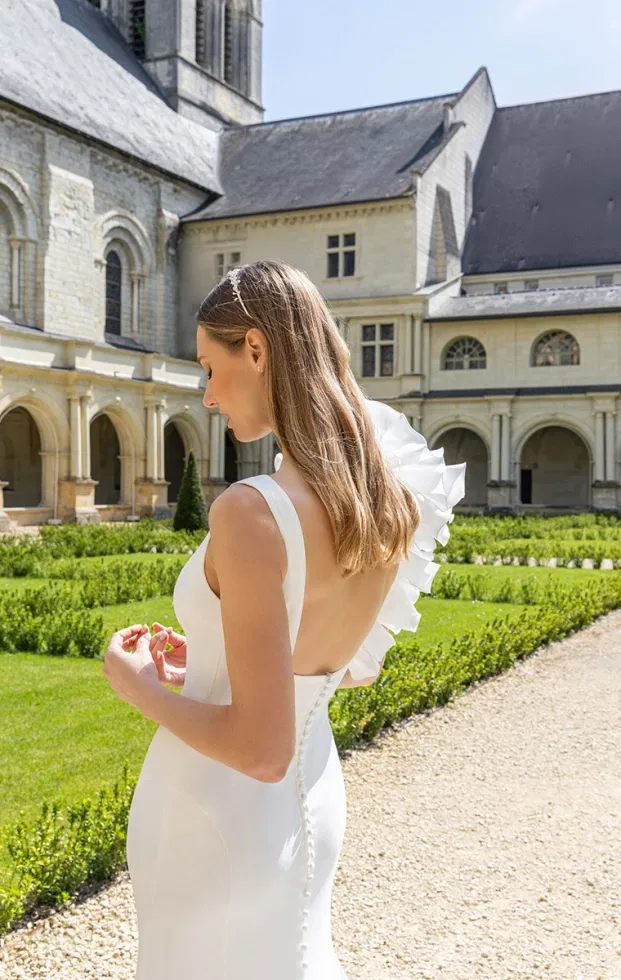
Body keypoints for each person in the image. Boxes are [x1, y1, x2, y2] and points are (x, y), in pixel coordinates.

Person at [103, 259, 466, 979]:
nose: (207, 395)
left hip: (212, 812)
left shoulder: (250, 511)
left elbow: (260, 749)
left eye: (211, 368)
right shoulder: (385, 498)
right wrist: (215, 656)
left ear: (257, 348)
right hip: (311, 799)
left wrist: (138, 685)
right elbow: (347, 668)